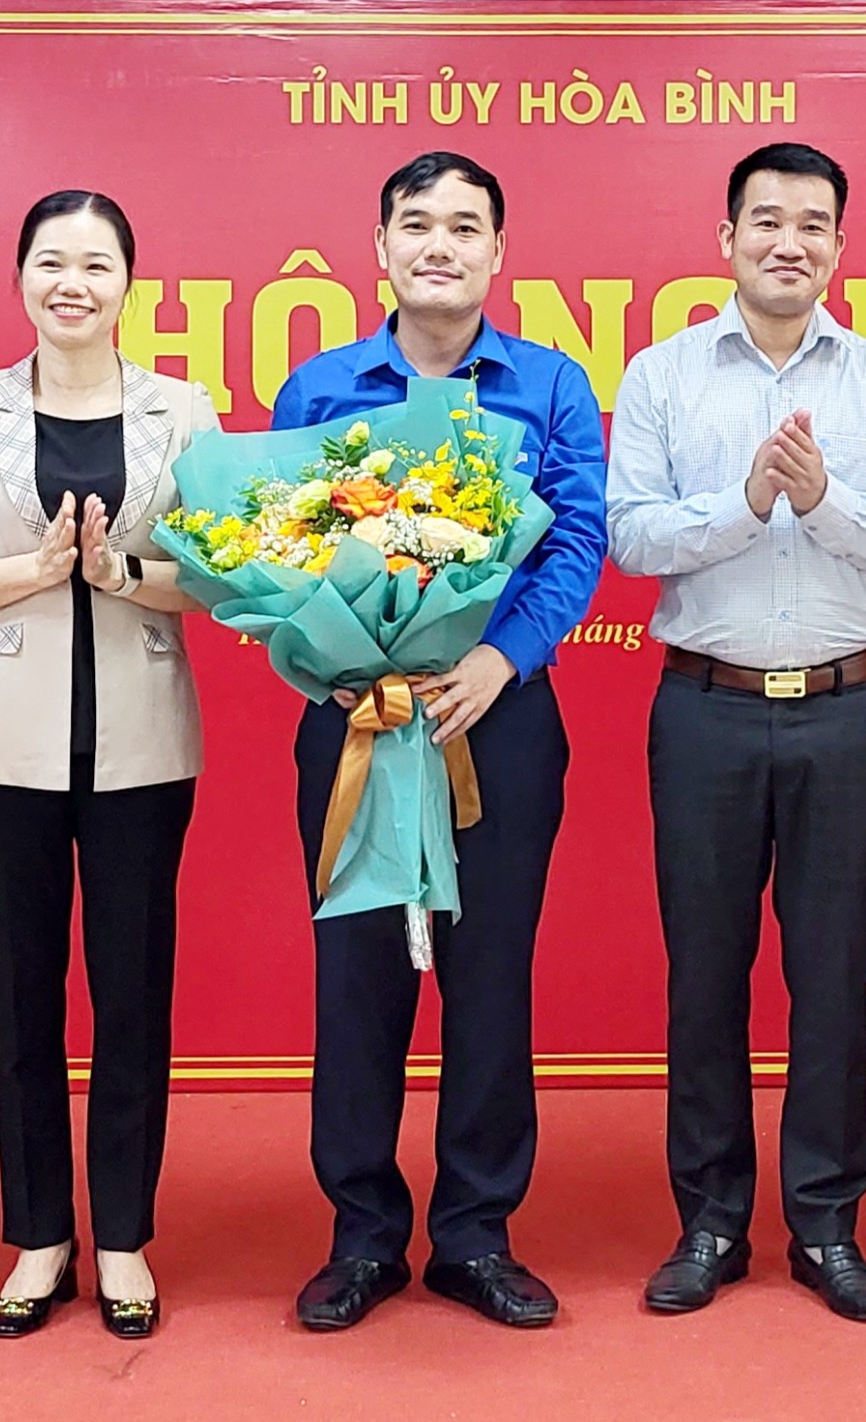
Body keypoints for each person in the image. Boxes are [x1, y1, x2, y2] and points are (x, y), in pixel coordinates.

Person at [606, 143, 866, 1324]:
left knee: (832, 976)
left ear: (839, 247)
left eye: (811, 224)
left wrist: (821, 500)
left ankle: (826, 1225)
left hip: (844, 713)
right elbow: (631, 536)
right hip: (705, 709)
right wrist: (746, 502)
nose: (786, 242)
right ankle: (708, 1219)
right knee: (704, 973)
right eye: (765, 221)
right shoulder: (660, 374)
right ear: (726, 239)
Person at [274, 152, 607, 1333]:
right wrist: (340, 653)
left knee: (491, 976)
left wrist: (498, 656)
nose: (440, 245)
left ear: (497, 253)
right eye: (417, 224)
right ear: (380, 248)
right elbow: (278, 542)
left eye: (465, 227)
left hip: (496, 716)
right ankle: (361, 1234)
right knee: (356, 978)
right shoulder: (319, 387)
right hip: (356, 720)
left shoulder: (550, 383)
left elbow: (575, 538)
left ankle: (475, 1232)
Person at [0, 190, 221, 1341]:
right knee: (21, 992)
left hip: (143, 735)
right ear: (20, 277)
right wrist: (37, 571)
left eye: (95, 263)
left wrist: (120, 574)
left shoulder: (184, 410)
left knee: (132, 993)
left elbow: (219, 576)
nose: (71, 282)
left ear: (129, 281)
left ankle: (125, 1233)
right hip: (4, 740)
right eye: (50, 261)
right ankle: (41, 1234)